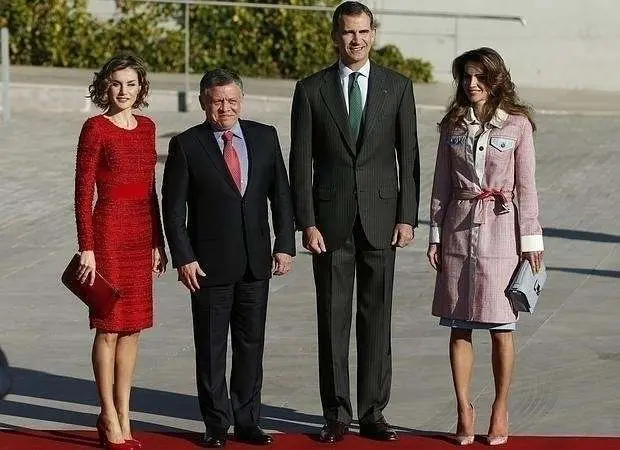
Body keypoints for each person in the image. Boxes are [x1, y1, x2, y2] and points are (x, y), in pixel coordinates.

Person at [289, 1, 420, 443]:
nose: (356, 40)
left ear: (374, 34)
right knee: (333, 319)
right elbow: (300, 162)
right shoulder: (310, 90)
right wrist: (305, 222)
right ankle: (336, 415)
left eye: (363, 32)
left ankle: (373, 412)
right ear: (335, 35)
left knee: (376, 318)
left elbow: (410, 156)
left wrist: (407, 216)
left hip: (383, 220)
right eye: (348, 32)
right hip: (329, 225)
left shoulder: (398, 87)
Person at [162, 69, 295, 448]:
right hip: (207, 267)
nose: (226, 107)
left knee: (251, 345)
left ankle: (248, 420)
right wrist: (183, 257)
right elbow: (173, 211)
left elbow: (281, 196)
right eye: (218, 101)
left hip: (257, 263)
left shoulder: (264, 136)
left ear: (242, 99)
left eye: (232, 100)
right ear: (205, 102)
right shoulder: (187, 145)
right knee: (211, 348)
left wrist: (284, 244)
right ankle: (216, 424)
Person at [427, 47, 544, 446]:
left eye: (479, 77)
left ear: (495, 80)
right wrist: (435, 237)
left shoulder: (517, 125)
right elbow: (441, 185)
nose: (471, 84)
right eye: (465, 77)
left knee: (500, 327)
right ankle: (463, 409)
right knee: (458, 326)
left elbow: (527, 188)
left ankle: (499, 406)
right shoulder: (452, 126)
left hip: (502, 233)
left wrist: (531, 242)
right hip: (459, 231)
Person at [75, 53, 167, 449]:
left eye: (131, 84)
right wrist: (87, 248)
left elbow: (150, 190)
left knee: (133, 328)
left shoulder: (147, 128)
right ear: (104, 87)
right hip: (108, 232)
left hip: (140, 232)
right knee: (109, 326)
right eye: (116, 83)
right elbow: (82, 194)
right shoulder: (95, 128)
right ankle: (107, 413)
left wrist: (157, 241)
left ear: (141, 87)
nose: (124, 91)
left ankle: (125, 414)